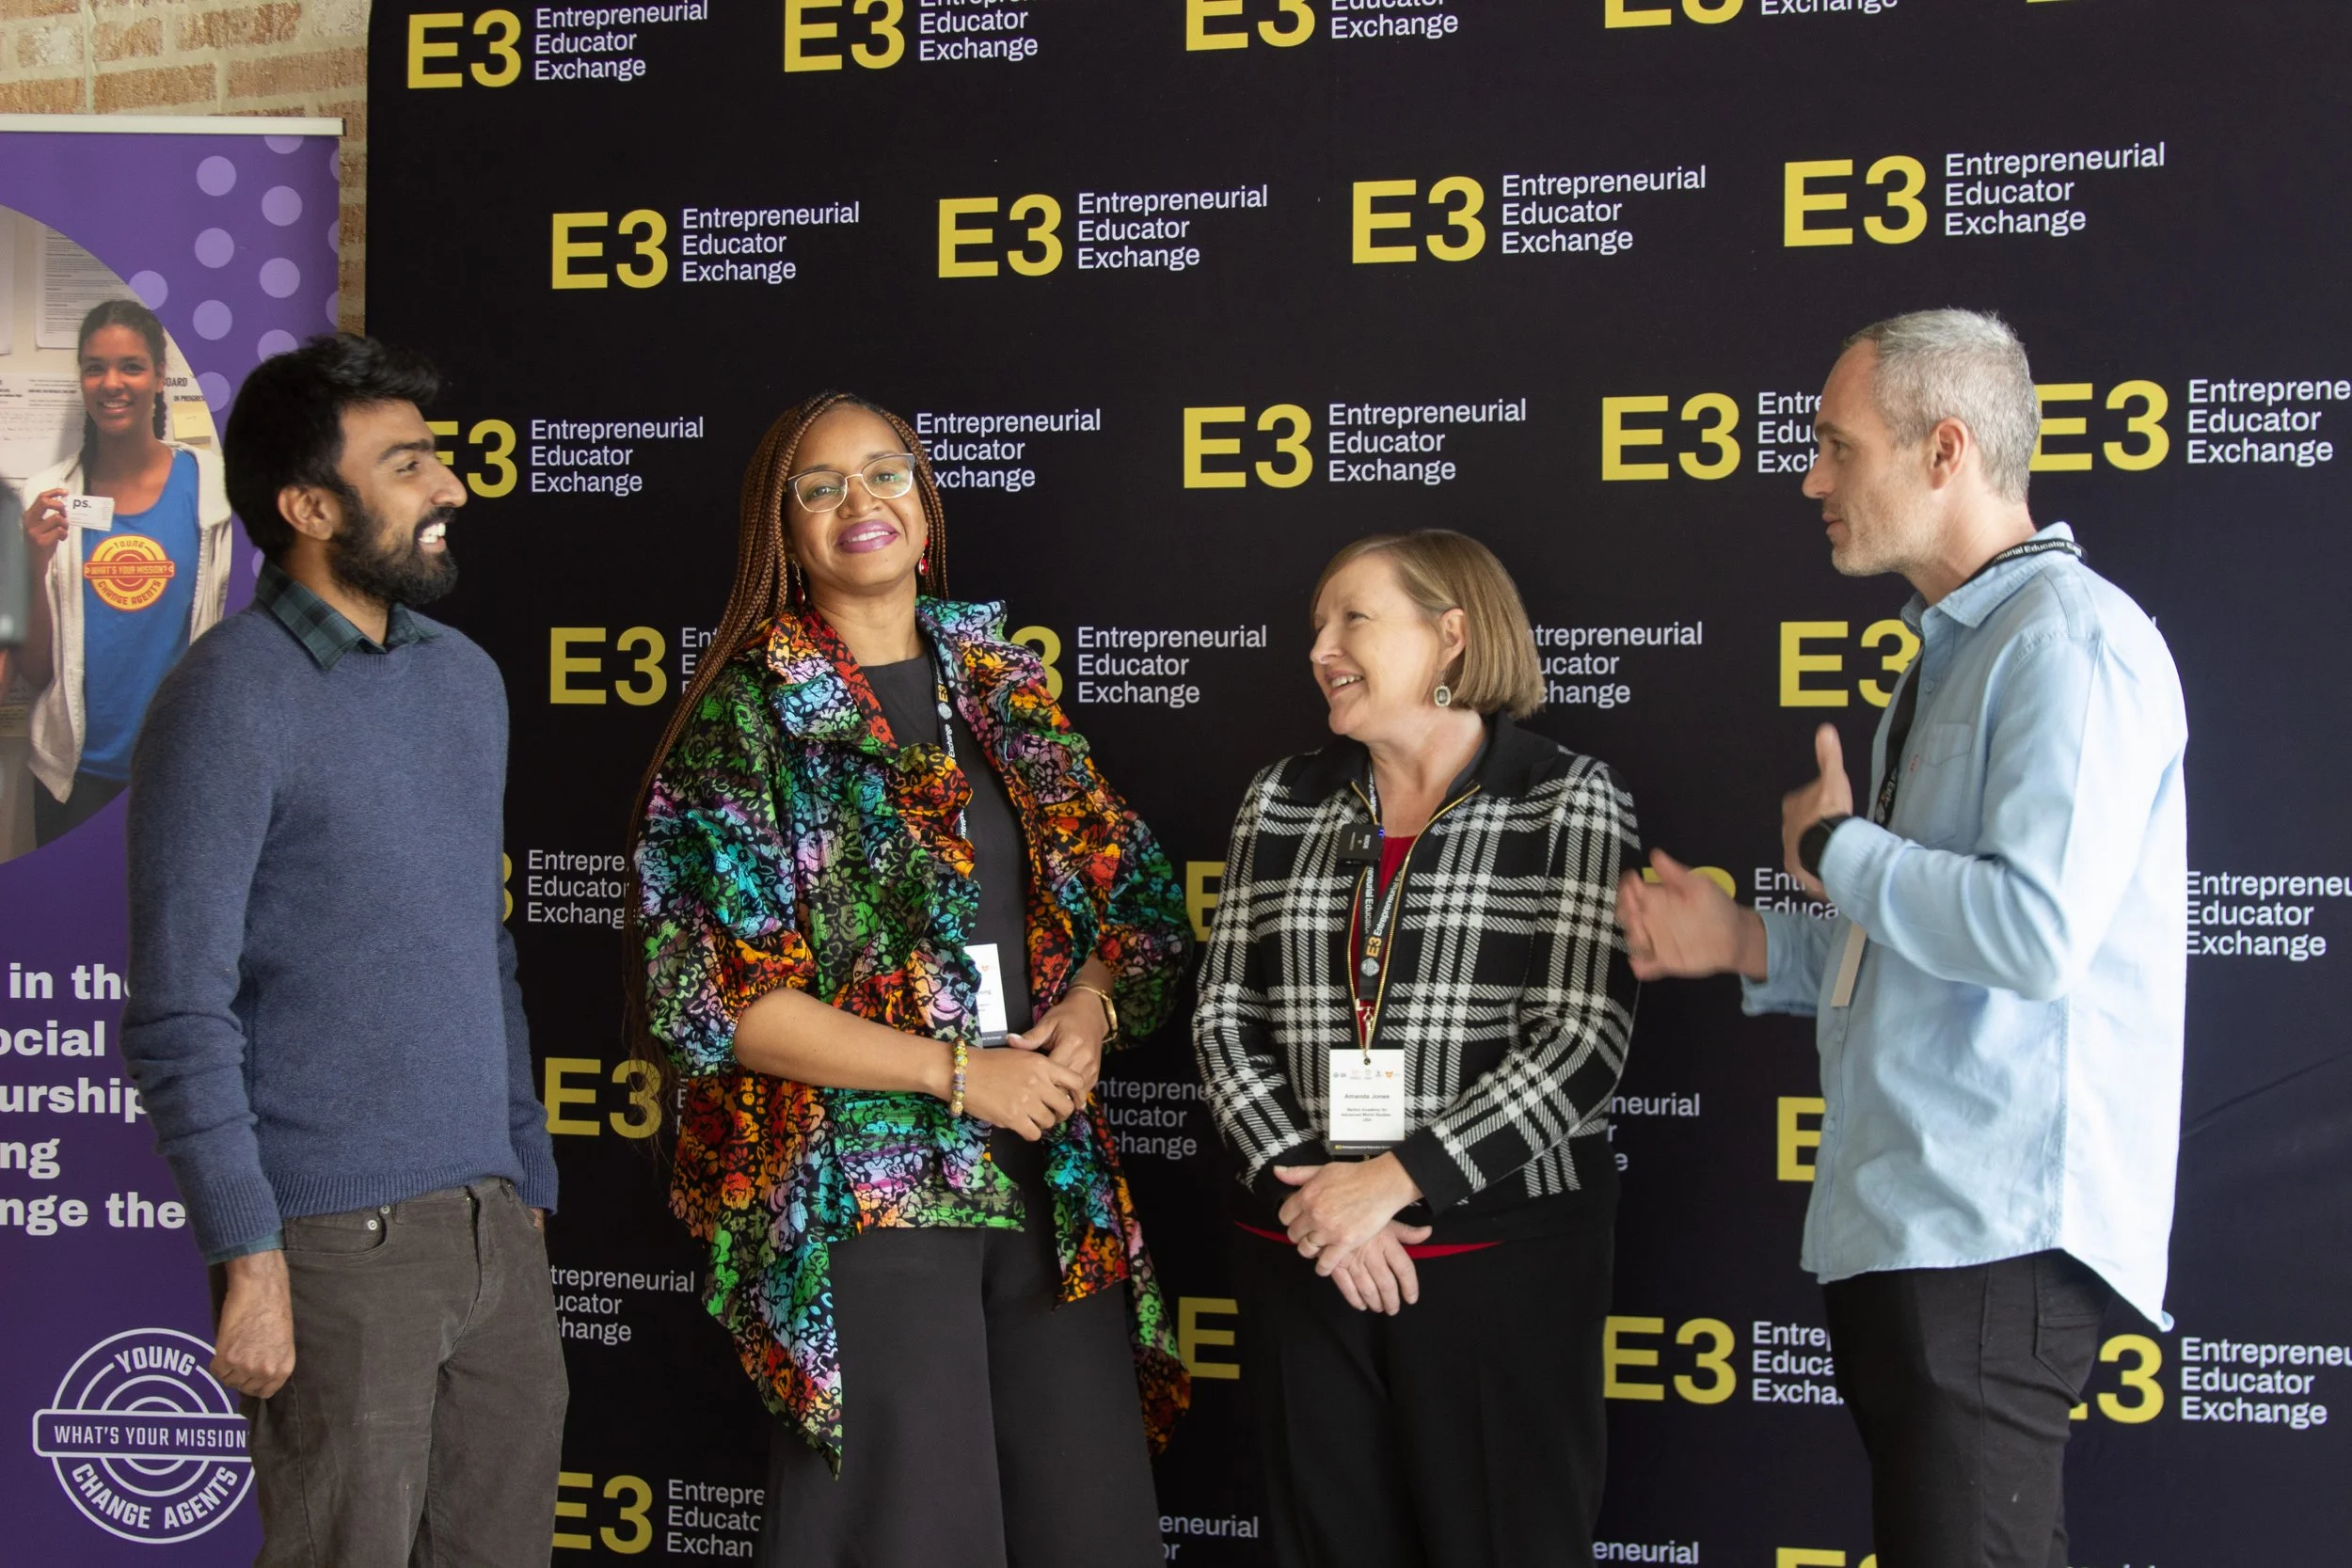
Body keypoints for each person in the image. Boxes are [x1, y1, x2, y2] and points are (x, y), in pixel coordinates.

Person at [1616, 309, 2187, 1568]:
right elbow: (1920, 945)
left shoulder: (2069, 642)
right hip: (1923, 1232)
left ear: (1944, 450)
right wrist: (1747, 941)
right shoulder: (1956, 656)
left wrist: (1838, 852)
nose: (1811, 479)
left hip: (1992, 1236)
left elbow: (2035, 934)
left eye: (1836, 447)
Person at [628, 391, 1193, 1568]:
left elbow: (1131, 901)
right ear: (780, 529)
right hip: (865, 1191)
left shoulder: (1003, 687)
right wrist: (954, 1072)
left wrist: (1087, 1009)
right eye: (820, 485)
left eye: (885, 472)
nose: (859, 502)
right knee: (910, 1534)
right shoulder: (746, 721)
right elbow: (717, 999)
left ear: (925, 504)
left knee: (1085, 1524)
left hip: (1047, 1170)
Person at [121, 335, 564, 1566]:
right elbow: (178, 1011)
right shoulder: (228, 697)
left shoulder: (467, 682)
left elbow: (484, 952)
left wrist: (522, 1179)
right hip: (335, 1251)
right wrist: (247, 1257)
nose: (451, 488)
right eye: (410, 463)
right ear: (311, 506)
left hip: (490, 1231)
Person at [1194, 530, 1640, 1568]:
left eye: (1352, 617)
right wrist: (1318, 1196)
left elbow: (1581, 1039)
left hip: (1497, 1264)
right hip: (1304, 1253)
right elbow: (1222, 1013)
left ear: (1451, 635)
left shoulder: (1565, 794)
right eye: (1316, 624)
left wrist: (1393, 1181)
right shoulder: (1282, 794)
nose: (1320, 647)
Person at [20, 298, 231, 844]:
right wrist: (33, 561)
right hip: (75, 779)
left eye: (131, 366)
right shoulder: (47, 498)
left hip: (182, 774)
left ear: (160, 377)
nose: (111, 383)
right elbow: (38, 674)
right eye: (95, 368)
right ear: (82, 381)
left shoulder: (214, 490)